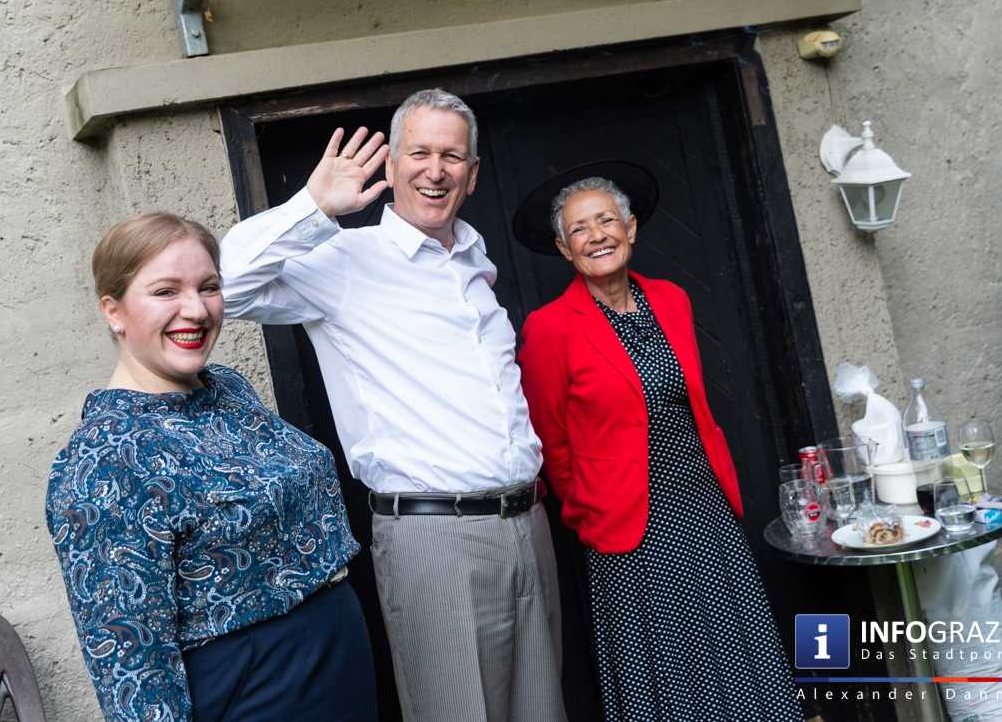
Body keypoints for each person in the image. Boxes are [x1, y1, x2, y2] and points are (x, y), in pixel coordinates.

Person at [220, 89, 566, 722]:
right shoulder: (345, 260)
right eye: (420, 153)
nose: (436, 170)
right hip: (437, 536)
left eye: (452, 156)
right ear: (392, 164)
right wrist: (312, 207)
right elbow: (225, 283)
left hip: (528, 525)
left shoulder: (475, 263)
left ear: (473, 174)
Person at [45, 213, 376, 722]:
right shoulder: (104, 461)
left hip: (336, 657)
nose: (196, 310)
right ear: (114, 311)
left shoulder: (227, 389)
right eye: (166, 291)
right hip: (259, 692)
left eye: (209, 287)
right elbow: (132, 669)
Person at [513, 163, 802, 722]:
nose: (596, 236)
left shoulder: (670, 299)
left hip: (703, 504)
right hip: (626, 526)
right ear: (564, 249)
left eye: (606, 220)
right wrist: (589, 510)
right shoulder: (551, 328)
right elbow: (551, 441)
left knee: (735, 649)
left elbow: (694, 405)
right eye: (579, 229)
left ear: (631, 228)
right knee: (670, 670)